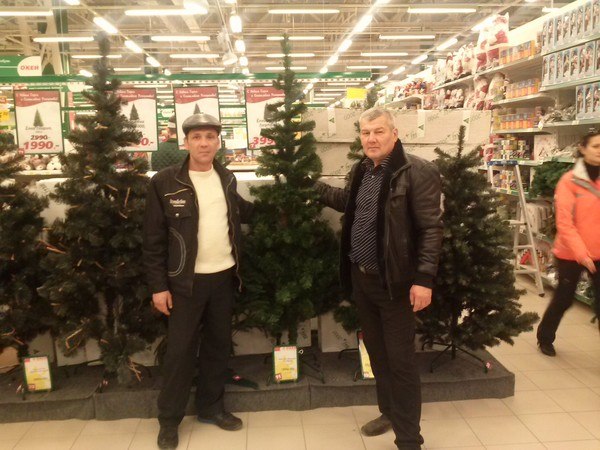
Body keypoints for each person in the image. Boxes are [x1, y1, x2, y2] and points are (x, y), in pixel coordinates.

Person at [315, 107, 443, 450]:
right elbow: (349, 203)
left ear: (394, 134)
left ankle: (409, 439)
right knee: (378, 354)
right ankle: (388, 412)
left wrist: (424, 279)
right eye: (365, 132)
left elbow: (431, 229)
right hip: (363, 280)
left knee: (400, 362)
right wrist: (315, 188)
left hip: (395, 284)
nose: (371, 138)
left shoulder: (417, 171)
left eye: (379, 131)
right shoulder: (362, 169)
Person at [143, 113, 253, 450]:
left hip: (224, 277)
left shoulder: (226, 178)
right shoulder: (165, 182)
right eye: (197, 137)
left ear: (218, 142)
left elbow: (240, 212)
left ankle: (211, 408)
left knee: (218, 346)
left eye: (210, 137)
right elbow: (153, 239)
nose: (204, 143)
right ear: (186, 142)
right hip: (184, 284)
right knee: (179, 353)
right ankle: (169, 421)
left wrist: (283, 204)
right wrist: (158, 286)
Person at [537, 132, 600, 356]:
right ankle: (545, 337)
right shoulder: (569, 181)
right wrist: (582, 254)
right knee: (564, 299)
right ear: (583, 148)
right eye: (596, 146)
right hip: (570, 253)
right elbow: (565, 223)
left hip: (598, 252)